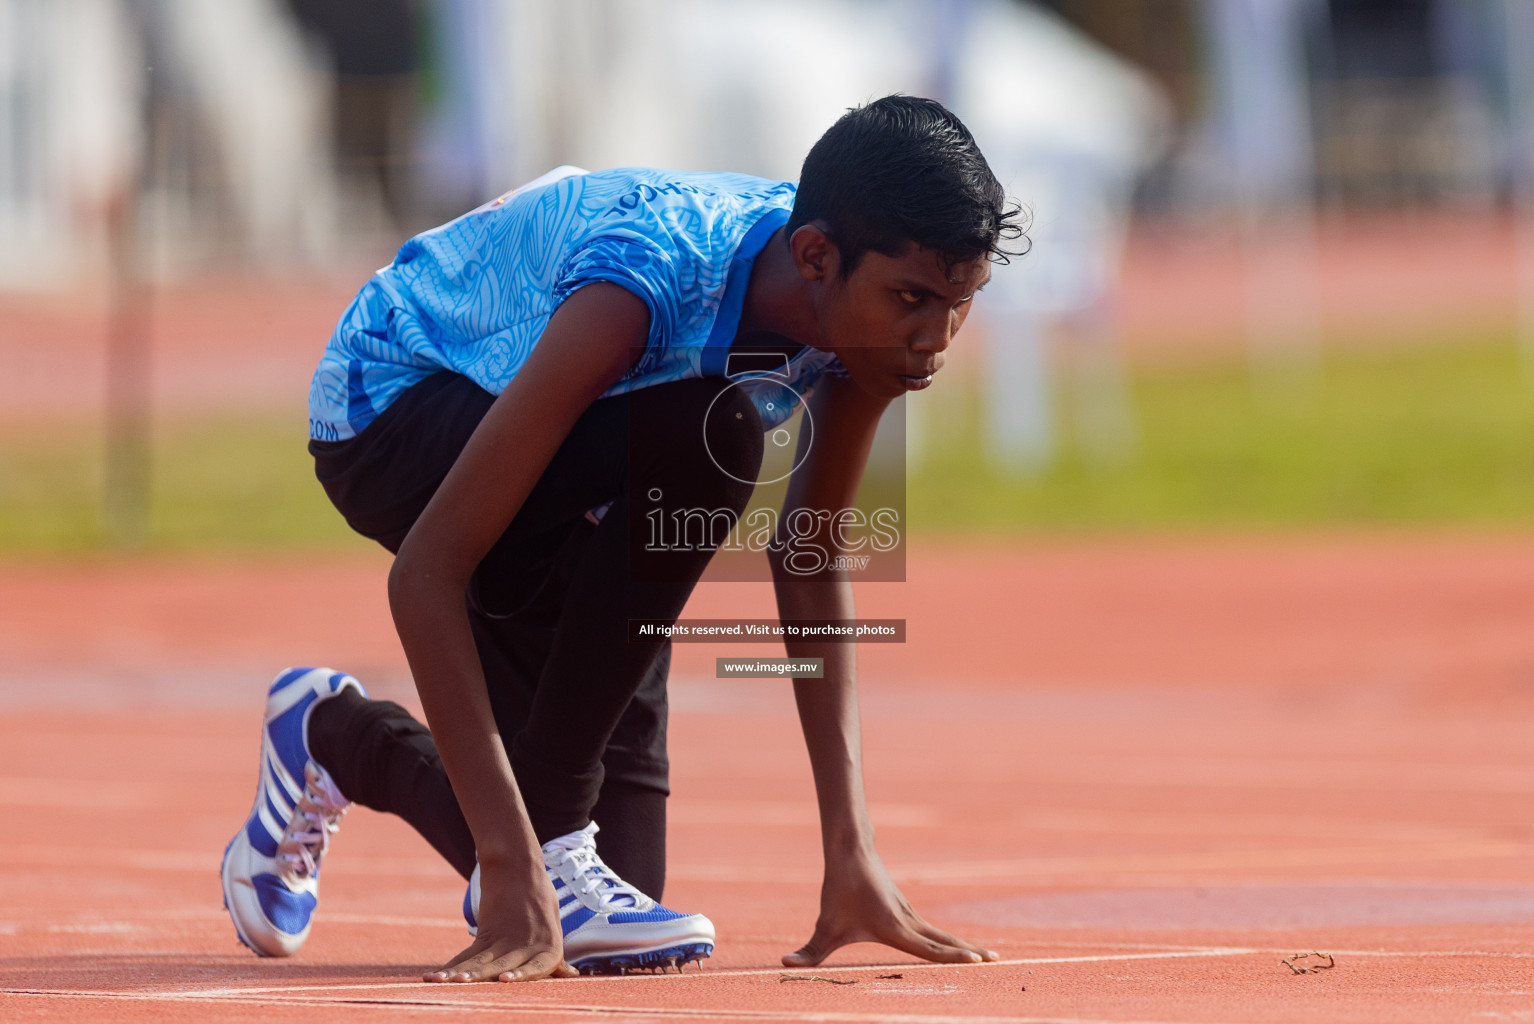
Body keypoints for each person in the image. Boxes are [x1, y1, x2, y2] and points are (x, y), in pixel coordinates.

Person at [220, 94, 1023, 982]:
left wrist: (851, 849)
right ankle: (545, 836)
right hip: (392, 408)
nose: (936, 340)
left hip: (589, 462)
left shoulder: (865, 321)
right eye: (914, 300)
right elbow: (425, 574)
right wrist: (514, 854)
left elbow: (810, 551)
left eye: (962, 302)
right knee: (728, 435)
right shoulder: (654, 276)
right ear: (815, 259)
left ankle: (334, 733)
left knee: (618, 901)